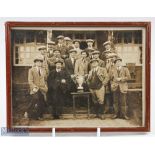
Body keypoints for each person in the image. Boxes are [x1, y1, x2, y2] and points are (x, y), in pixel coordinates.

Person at [27, 55, 48, 120]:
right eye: (38, 62)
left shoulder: (43, 70)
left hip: (42, 88)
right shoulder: (31, 70)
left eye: (40, 62)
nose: (39, 63)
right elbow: (30, 81)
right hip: (35, 88)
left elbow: (45, 79)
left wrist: (45, 86)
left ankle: (39, 115)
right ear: (35, 63)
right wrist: (34, 87)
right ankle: (28, 112)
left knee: (42, 101)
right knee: (35, 99)